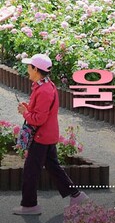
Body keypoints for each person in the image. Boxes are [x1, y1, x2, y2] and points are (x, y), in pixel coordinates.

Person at [13, 54, 88, 214]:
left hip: (41, 137)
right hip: (47, 135)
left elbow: (39, 119)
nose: (27, 69)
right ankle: (76, 195)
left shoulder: (44, 90)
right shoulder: (46, 85)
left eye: (29, 66)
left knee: (30, 171)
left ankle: (30, 205)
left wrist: (25, 112)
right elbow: (41, 112)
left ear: (35, 69)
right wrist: (28, 108)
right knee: (53, 167)